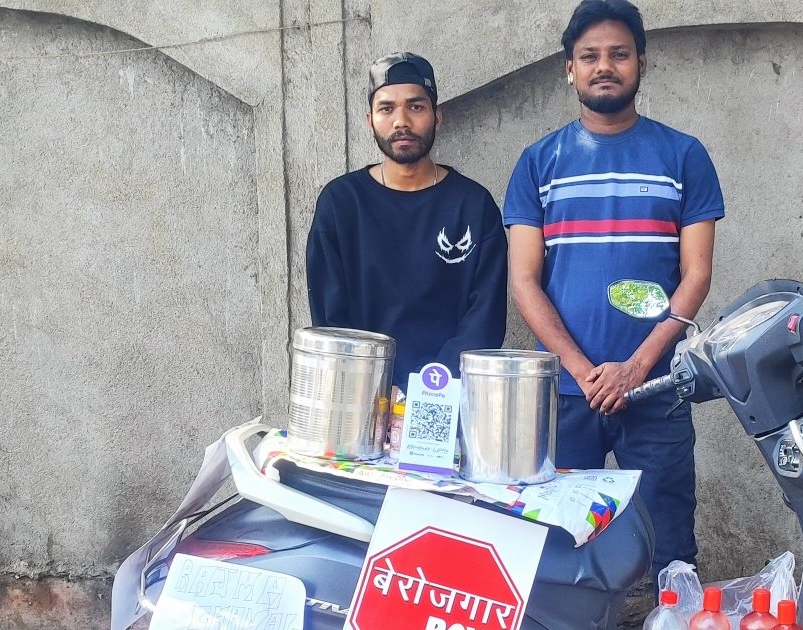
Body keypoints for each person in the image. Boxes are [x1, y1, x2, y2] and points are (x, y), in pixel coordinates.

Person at [503, 0, 724, 579]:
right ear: (569, 69)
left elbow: (697, 274)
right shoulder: (539, 163)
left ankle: (670, 615)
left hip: (657, 389)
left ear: (641, 64)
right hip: (563, 394)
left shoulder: (684, 156)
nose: (604, 66)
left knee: (671, 550)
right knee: (551, 549)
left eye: (619, 54)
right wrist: (583, 372)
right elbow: (523, 280)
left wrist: (636, 368)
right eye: (590, 56)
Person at [306, 52, 507, 383]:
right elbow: (330, 317)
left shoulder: (473, 205)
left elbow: (485, 318)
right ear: (370, 120)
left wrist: (432, 386)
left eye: (415, 106)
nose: (401, 121)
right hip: (361, 392)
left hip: (447, 392)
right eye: (387, 109)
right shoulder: (341, 204)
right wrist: (371, 385)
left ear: (436, 116)